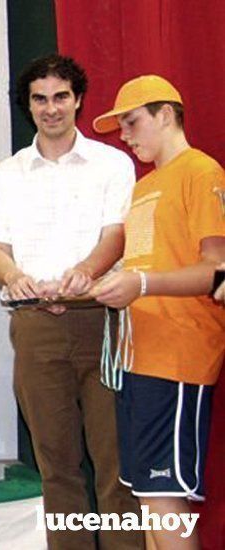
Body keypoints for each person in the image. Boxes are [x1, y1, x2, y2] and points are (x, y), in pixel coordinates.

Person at [0, 54, 141, 549]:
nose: (51, 108)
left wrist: (84, 274)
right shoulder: (8, 173)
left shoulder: (113, 163)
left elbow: (117, 235)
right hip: (35, 329)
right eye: (40, 99)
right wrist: (17, 277)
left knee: (116, 467)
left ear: (78, 100)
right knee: (57, 467)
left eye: (61, 97)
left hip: (103, 322)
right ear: (28, 106)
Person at [91, 74, 225, 550]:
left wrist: (141, 283)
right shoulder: (145, 186)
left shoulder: (202, 172)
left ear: (165, 114)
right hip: (139, 356)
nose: (125, 136)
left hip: (178, 354)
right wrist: (103, 282)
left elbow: (217, 272)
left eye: (131, 122)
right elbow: (144, 262)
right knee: (150, 496)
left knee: (166, 499)